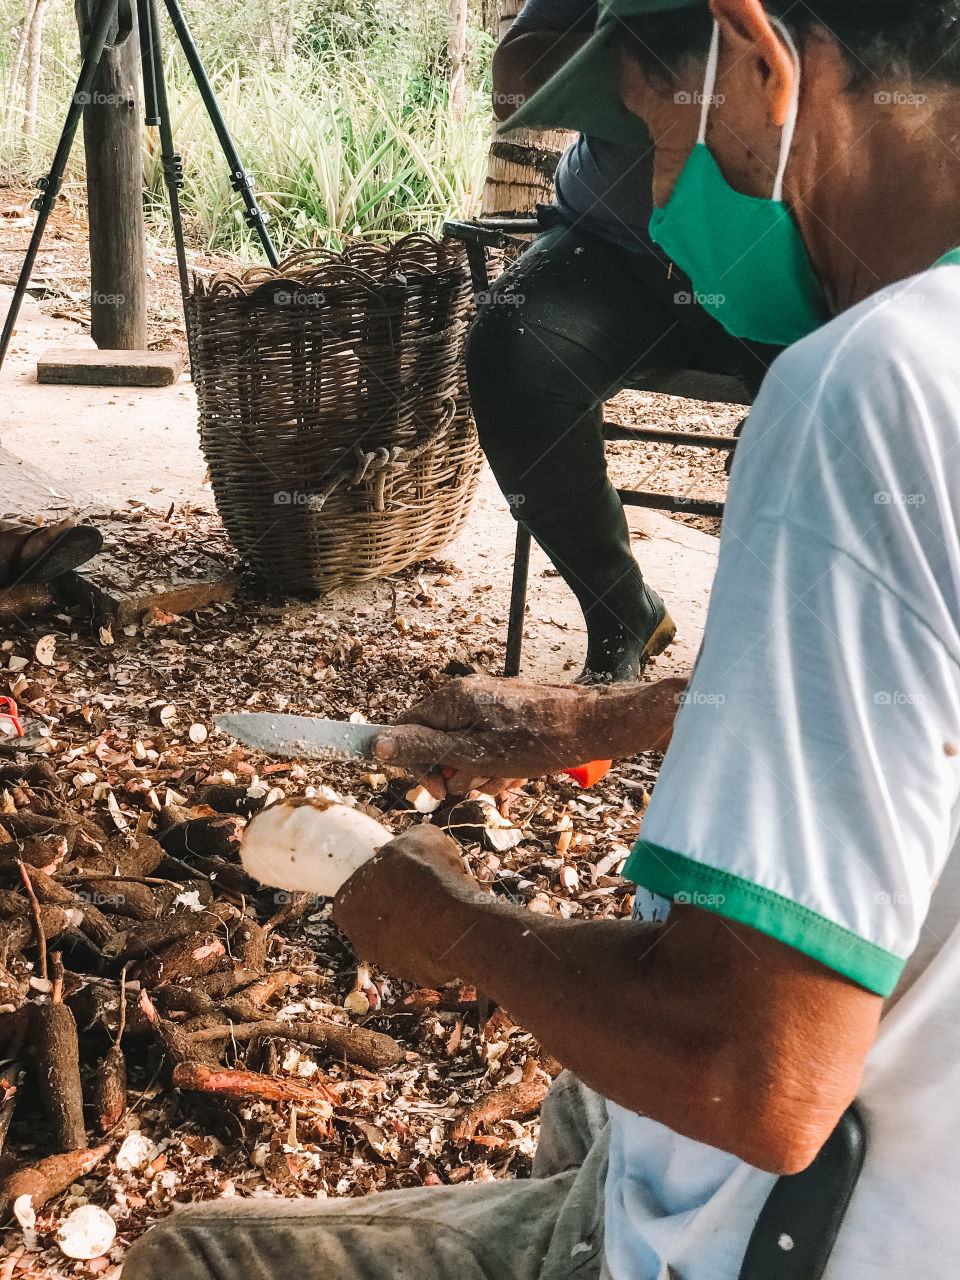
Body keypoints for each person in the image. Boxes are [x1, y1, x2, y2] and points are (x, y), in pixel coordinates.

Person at [124, 0, 960, 1277]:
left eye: (660, 137)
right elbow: (911, 699)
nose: (665, 210)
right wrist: (594, 716)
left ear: (758, 55)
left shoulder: (871, 386)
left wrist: (455, 927)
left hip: (820, 1223)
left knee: (192, 1257)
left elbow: (754, 1073)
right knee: (577, 1104)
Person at [467, 0, 782, 683]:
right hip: (616, 246)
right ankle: (620, 611)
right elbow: (513, 82)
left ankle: (765, 663)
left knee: (811, 427)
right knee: (513, 354)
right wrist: (661, 57)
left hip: (793, 259)